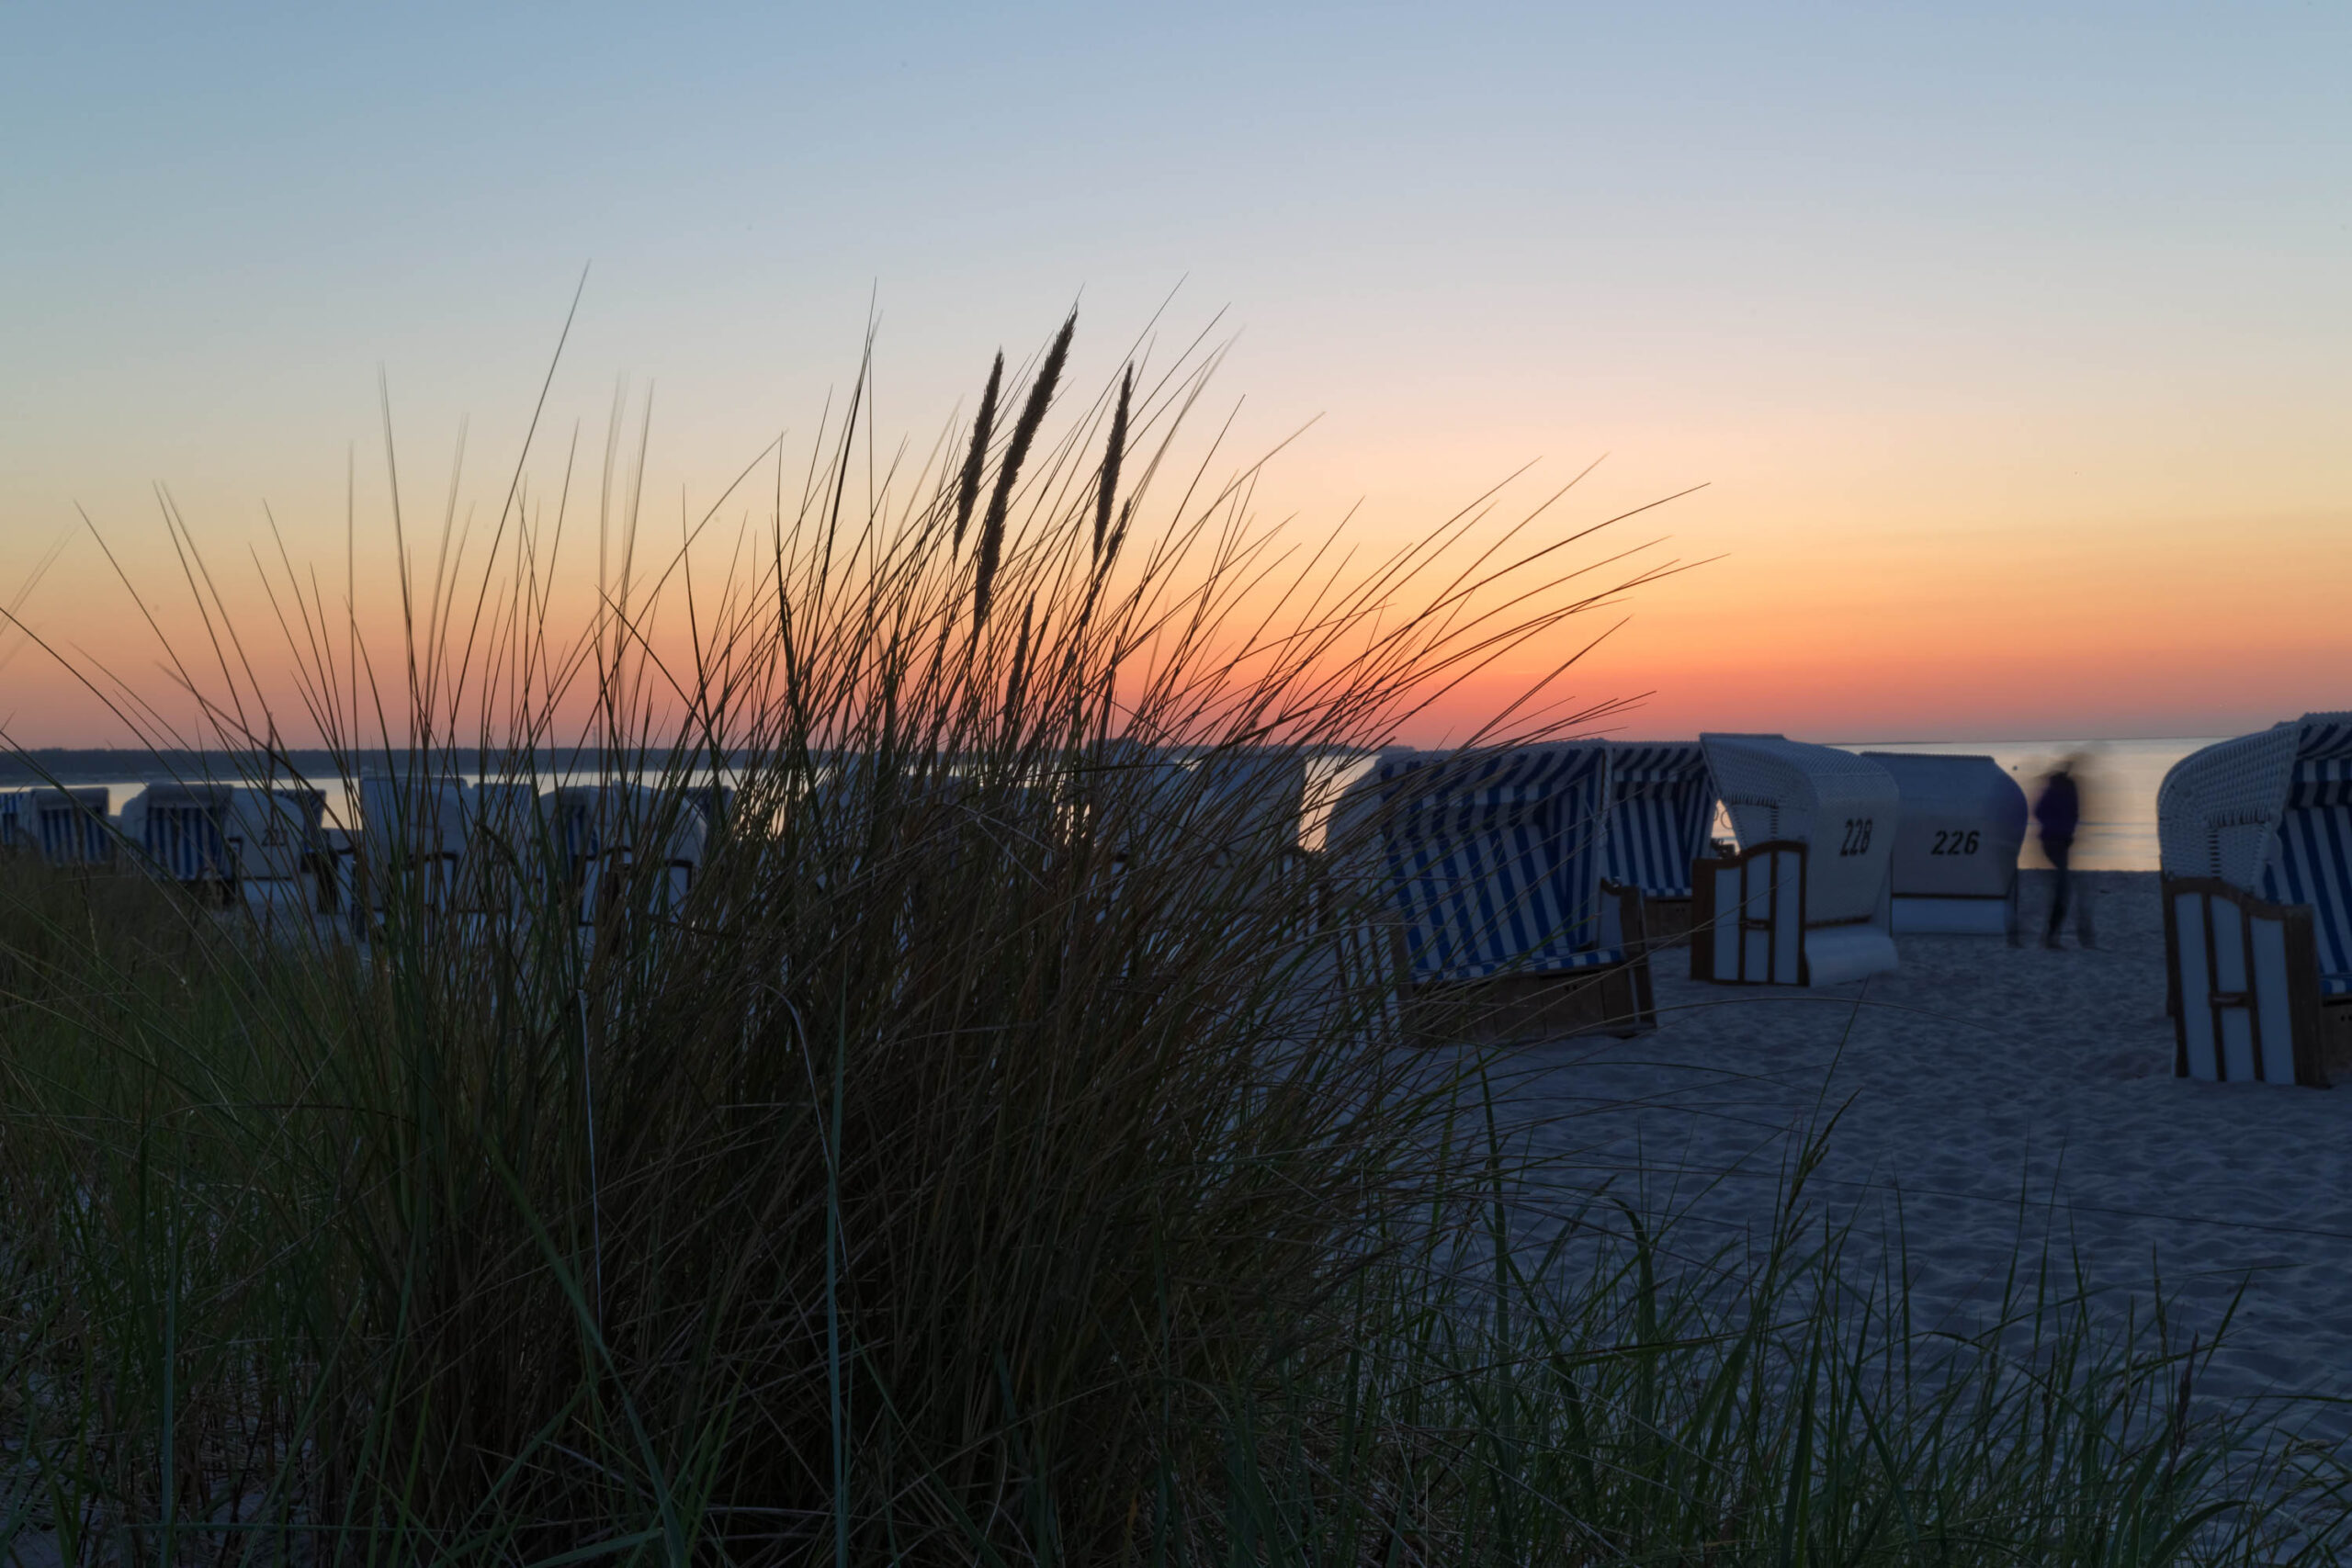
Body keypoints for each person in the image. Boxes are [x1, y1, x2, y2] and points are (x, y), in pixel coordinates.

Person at [2033, 758, 2087, 949]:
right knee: (2063, 890)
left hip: (2061, 842)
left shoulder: (2069, 788)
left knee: (2063, 888)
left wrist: (2068, 832)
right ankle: (2051, 938)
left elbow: (2075, 814)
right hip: (2052, 842)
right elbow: (2039, 811)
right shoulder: (2058, 788)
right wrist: (2057, 827)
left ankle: (2051, 937)